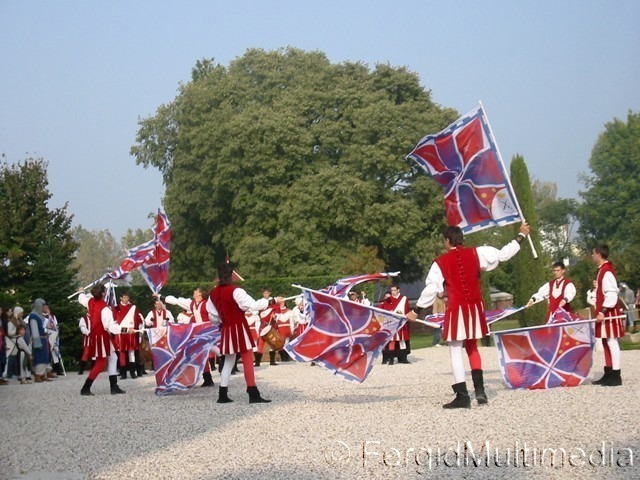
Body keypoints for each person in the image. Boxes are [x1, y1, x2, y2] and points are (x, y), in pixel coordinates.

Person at [407, 222, 530, 409]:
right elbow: (503, 254)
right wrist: (521, 237)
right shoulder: (477, 253)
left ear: (448, 241)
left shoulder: (441, 262)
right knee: (472, 347)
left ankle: (462, 396)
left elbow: (432, 288)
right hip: (474, 307)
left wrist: (417, 310)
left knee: (455, 349)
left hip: (457, 309)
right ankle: (480, 393)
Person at [207, 263, 275, 404]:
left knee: (228, 361)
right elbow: (253, 306)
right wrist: (270, 301)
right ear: (231, 274)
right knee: (247, 360)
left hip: (226, 328)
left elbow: (213, 317)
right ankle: (253, 393)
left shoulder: (212, 293)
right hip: (239, 327)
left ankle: (222, 393)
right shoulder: (236, 291)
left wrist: (222, 321)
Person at [78, 284, 130, 395]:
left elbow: (81, 299)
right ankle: (86, 388)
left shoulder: (90, 301)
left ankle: (114, 386)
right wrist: (125, 330)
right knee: (100, 363)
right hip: (101, 336)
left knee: (113, 357)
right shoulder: (105, 309)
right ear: (103, 294)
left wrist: (81, 291)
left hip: (98, 335)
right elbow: (110, 326)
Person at [165, 288, 217, 386]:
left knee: (217, 352)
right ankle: (206, 378)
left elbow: (215, 315)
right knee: (199, 355)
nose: (193, 292)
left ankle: (209, 377)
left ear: (199, 294)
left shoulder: (207, 304)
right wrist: (161, 297)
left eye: (196, 291)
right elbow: (178, 301)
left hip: (207, 332)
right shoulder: (192, 304)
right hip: (199, 334)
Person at [591, 243, 624, 387]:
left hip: (608, 313)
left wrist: (603, 311)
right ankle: (609, 372)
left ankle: (616, 375)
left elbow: (611, 294)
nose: (592, 256)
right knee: (605, 342)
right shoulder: (601, 271)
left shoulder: (607, 271)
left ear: (599, 254)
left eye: (593, 253)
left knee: (611, 341)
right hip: (604, 312)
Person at [114, 293, 144, 380]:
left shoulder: (133, 308)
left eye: (127, 297)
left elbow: (138, 320)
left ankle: (132, 372)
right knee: (122, 352)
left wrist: (136, 329)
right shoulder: (116, 308)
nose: (126, 299)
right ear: (121, 298)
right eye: (124, 297)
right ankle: (123, 373)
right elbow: (114, 320)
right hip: (121, 332)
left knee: (131, 352)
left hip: (131, 332)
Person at [380, 285, 411, 364]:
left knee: (402, 340)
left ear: (398, 290)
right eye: (392, 290)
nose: (393, 292)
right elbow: (385, 310)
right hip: (392, 323)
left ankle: (403, 358)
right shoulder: (388, 300)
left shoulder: (404, 299)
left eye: (394, 290)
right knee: (391, 341)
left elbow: (407, 310)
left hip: (402, 323)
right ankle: (389, 359)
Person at [28, 299, 55, 382]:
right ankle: (38, 374)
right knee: (39, 357)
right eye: (43, 306)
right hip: (38, 339)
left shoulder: (40, 316)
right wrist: (37, 342)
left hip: (43, 339)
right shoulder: (33, 316)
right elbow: (34, 330)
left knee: (44, 357)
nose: (44, 307)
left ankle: (43, 374)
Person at [43, 303, 64, 376]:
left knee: (55, 353)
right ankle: (47, 370)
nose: (46, 309)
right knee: (47, 353)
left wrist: (57, 334)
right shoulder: (41, 316)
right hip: (46, 336)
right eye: (45, 307)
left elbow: (56, 325)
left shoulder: (52, 316)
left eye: (47, 307)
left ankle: (58, 369)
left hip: (53, 336)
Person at [77, 311, 91, 375]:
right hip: (88, 338)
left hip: (96, 338)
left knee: (96, 353)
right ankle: (81, 369)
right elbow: (82, 328)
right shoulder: (84, 318)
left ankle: (94, 368)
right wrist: (88, 333)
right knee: (86, 353)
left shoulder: (96, 317)